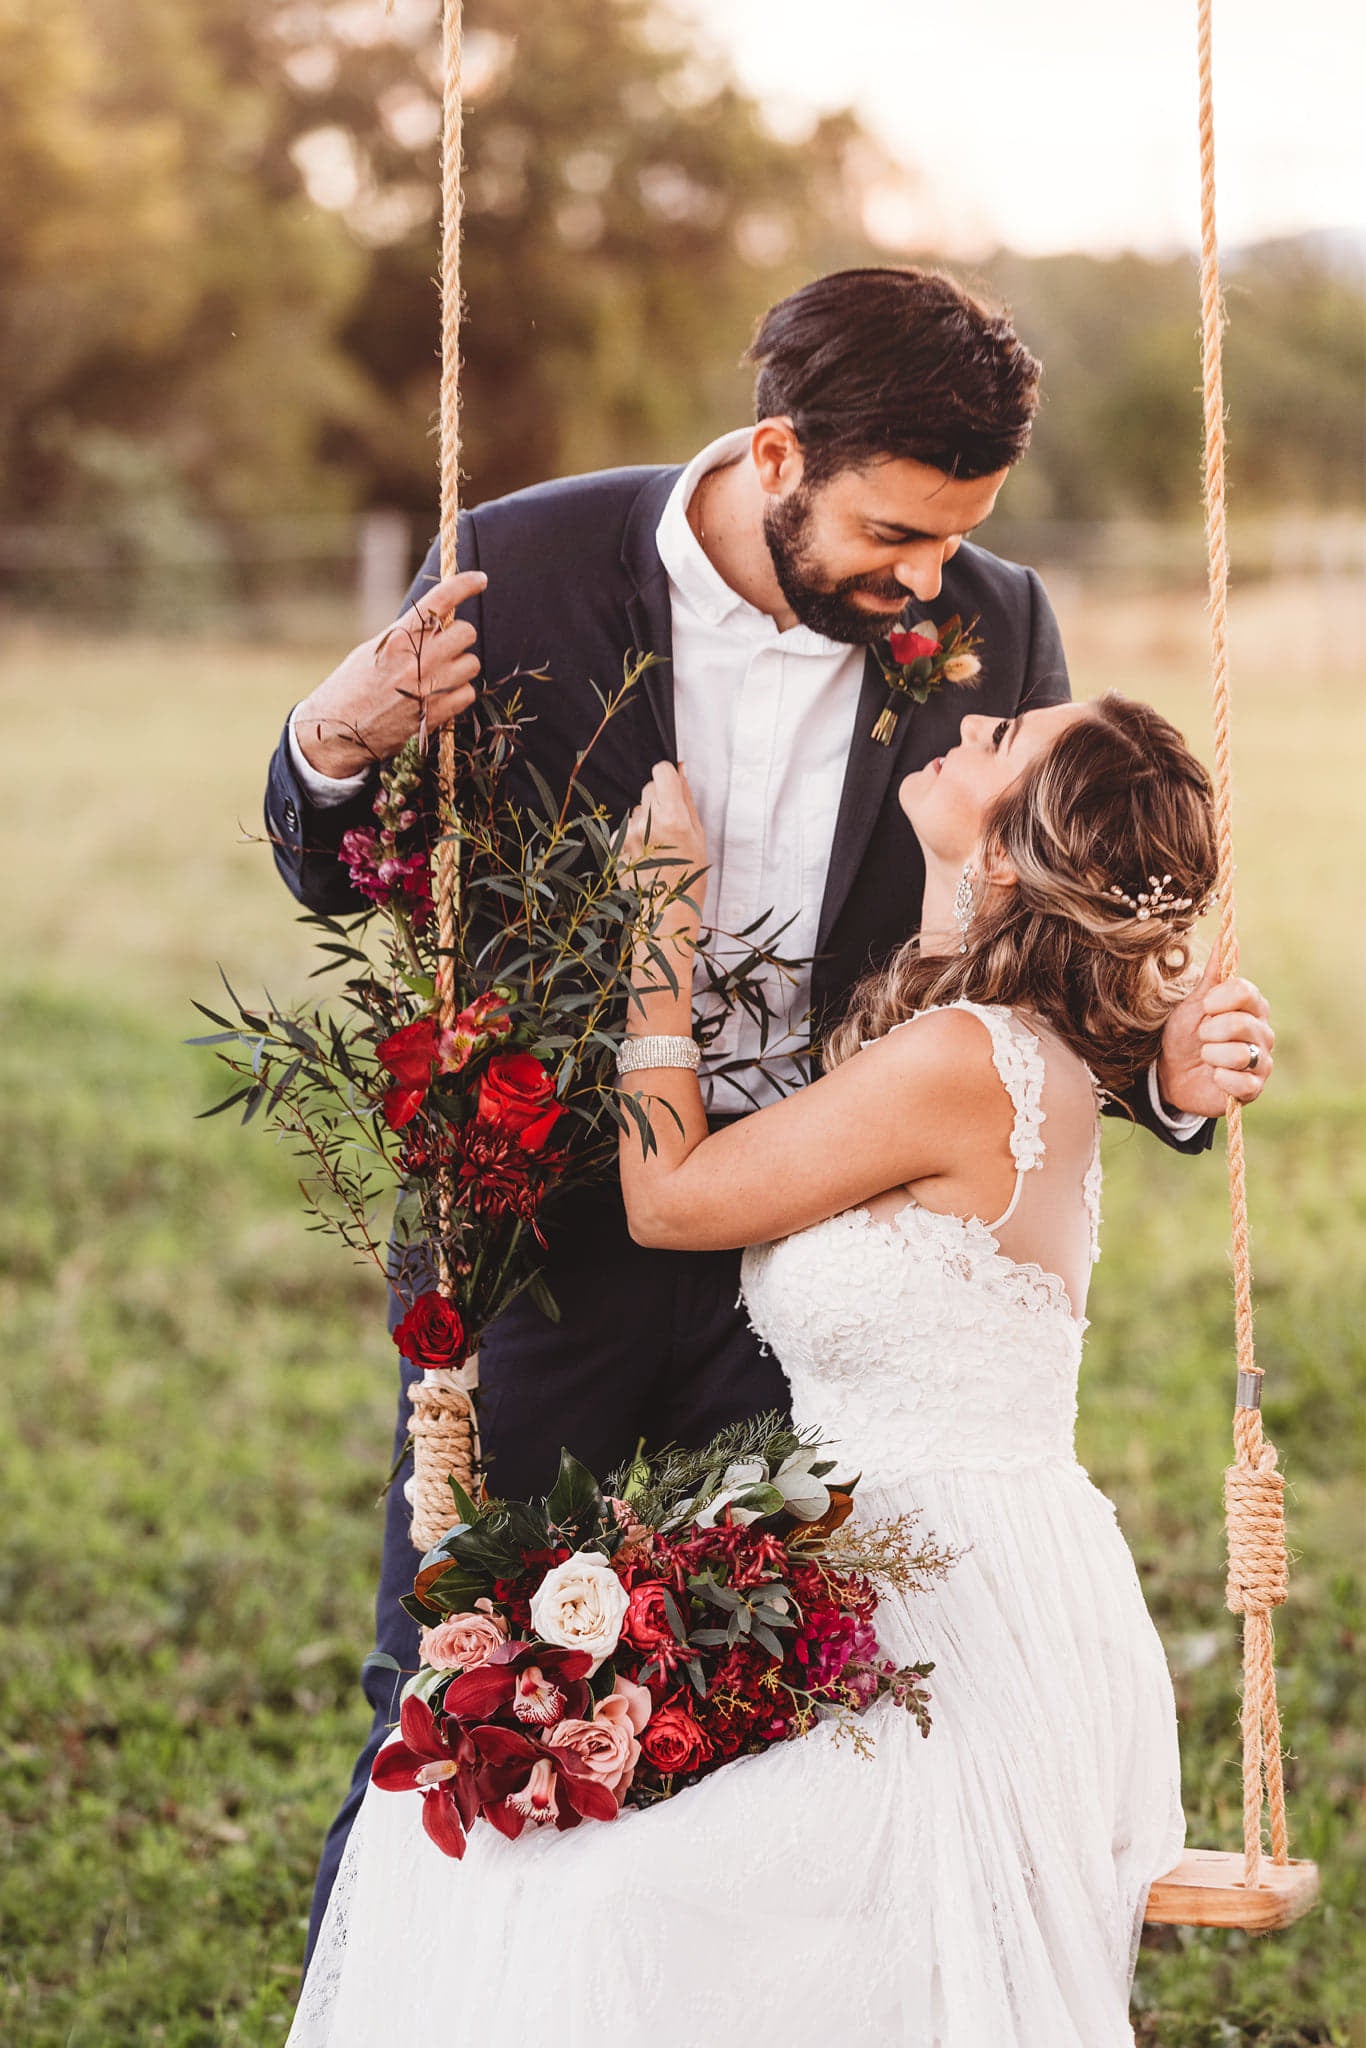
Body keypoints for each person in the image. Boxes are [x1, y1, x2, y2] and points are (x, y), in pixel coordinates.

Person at [264, 267, 1273, 1955]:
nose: (926, 580)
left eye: (953, 540)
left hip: (827, 1269)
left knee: (771, 1743)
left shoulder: (996, 617)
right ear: (777, 454)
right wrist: (329, 742)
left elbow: (1023, 956)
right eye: (894, 533)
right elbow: (342, 870)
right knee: (459, 1689)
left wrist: (1159, 1078)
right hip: (550, 1244)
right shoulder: (520, 566)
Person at [289, 692, 1219, 2046]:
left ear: (1018, 854)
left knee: (597, 1894)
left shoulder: (969, 1059)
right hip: (882, 1582)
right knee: (522, 1831)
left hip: (958, 1631)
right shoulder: (978, 1033)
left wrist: (662, 927)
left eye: (1005, 738)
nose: (973, 715)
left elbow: (672, 1197)